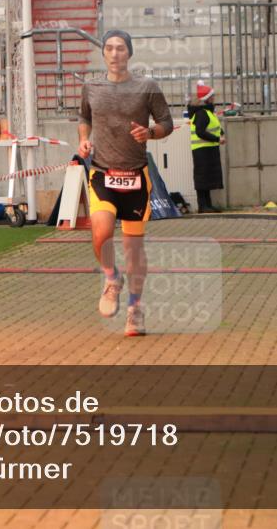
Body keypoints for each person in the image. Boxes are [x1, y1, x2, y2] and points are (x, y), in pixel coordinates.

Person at [78, 29, 173, 337]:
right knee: (101, 232)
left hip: (135, 176)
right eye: (109, 48)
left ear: (129, 53)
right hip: (103, 172)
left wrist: (151, 133)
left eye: (121, 48)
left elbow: (167, 123)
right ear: (103, 54)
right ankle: (110, 278)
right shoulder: (91, 87)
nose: (115, 53)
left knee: (134, 251)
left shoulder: (147, 87)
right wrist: (83, 141)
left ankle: (135, 310)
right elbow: (84, 118)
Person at [187, 81, 225, 213]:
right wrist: (216, 139)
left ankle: (207, 205)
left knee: (206, 178)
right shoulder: (202, 113)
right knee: (203, 178)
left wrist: (220, 133)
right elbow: (200, 132)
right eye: (212, 96)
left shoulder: (207, 112)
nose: (214, 98)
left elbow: (214, 127)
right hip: (202, 151)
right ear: (207, 98)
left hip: (207, 150)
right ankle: (203, 206)